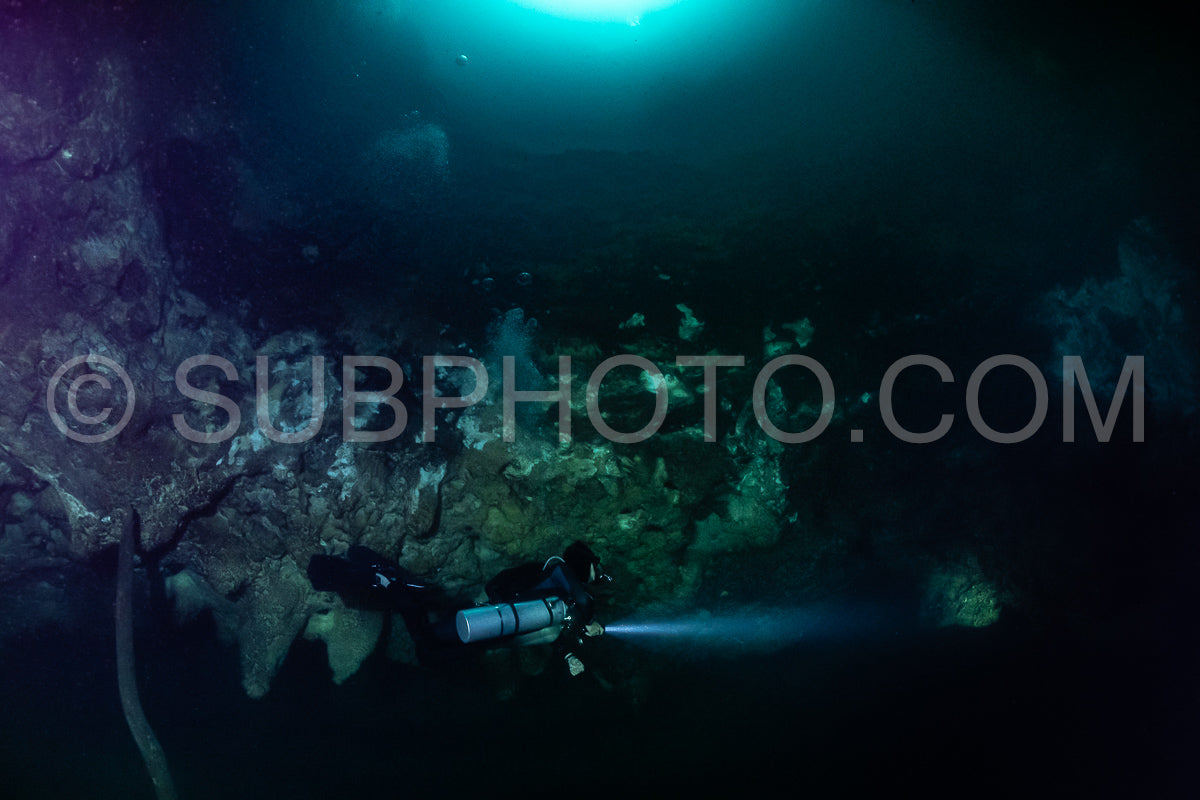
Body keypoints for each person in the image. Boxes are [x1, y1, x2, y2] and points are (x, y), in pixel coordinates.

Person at [483, 541, 611, 676]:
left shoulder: (564, 593)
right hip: (504, 616)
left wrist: (569, 656)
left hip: (507, 627)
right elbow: (583, 600)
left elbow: (548, 626)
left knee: (552, 631)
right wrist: (590, 622)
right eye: (596, 569)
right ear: (584, 563)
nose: (596, 576)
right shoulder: (560, 571)